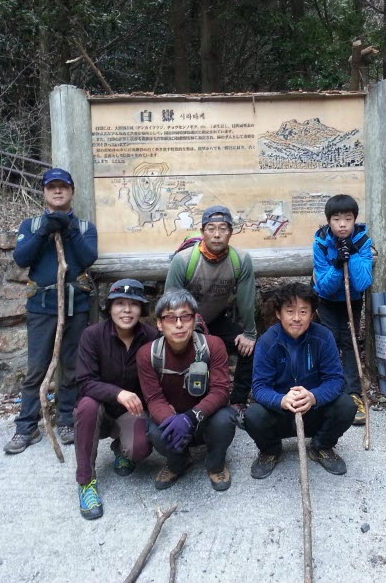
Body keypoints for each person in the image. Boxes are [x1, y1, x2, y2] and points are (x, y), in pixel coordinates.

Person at [4, 168, 98, 454]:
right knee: (37, 367)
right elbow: (22, 259)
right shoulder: (30, 226)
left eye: (63, 187)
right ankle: (26, 426)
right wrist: (44, 231)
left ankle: (67, 420)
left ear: (72, 191)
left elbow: (88, 258)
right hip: (42, 307)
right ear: (44, 192)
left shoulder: (84, 228)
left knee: (71, 366)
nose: (58, 191)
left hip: (76, 306)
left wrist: (69, 230)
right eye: (52, 187)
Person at [246, 282, 356, 479]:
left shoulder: (323, 337)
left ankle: (321, 446)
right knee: (253, 415)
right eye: (290, 311)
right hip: (280, 413)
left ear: (312, 315)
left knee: (346, 405)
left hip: (313, 411)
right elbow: (259, 387)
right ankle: (270, 450)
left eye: (303, 312)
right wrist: (281, 400)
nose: (296, 318)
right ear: (279, 314)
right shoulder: (267, 341)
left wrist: (313, 397)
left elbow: (335, 380)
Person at [73, 279, 157, 520]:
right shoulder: (92, 335)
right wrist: (118, 393)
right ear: (109, 308)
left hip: (131, 411)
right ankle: (86, 482)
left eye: (134, 304)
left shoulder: (151, 337)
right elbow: (85, 381)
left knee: (140, 449)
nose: (127, 310)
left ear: (142, 309)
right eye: (120, 303)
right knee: (87, 406)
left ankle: (121, 448)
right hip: (97, 409)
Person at [138, 289, 237, 491]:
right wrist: (172, 421)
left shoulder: (213, 345)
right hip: (173, 416)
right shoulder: (147, 354)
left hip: (204, 418)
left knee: (225, 418)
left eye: (185, 317)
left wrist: (190, 418)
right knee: (155, 429)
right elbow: (154, 398)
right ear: (159, 323)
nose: (179, 324)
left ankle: (216, 464)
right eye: (170, 318)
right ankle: (178, 462)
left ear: (194, 320)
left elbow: (221, 390)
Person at [165, 205, 257, 420]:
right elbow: (170, 302)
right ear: (202, 231)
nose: (217, 234)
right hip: (184, 321)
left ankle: (237, 402)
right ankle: (180, 402)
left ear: (231, 232)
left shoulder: (240, 260)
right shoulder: (184, 260)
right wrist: (184, 327)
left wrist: (250, 333)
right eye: (211, 228)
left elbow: (246, 300)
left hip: (215, 319)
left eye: (223, 229)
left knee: (249, 348)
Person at [312, 194, 373, 425]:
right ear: (329, 221)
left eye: (348, 219)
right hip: (327, 301)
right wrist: (338, 264)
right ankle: (328, 388)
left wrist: (353, 254)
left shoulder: (362, 240)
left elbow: (362, 282)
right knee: (329, 340)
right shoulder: (320, 242)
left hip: (352, 300)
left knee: (349, 341)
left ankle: (353, 392)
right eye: (336, 219)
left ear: (355, 219)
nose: (342, 224)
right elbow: (324, 287)